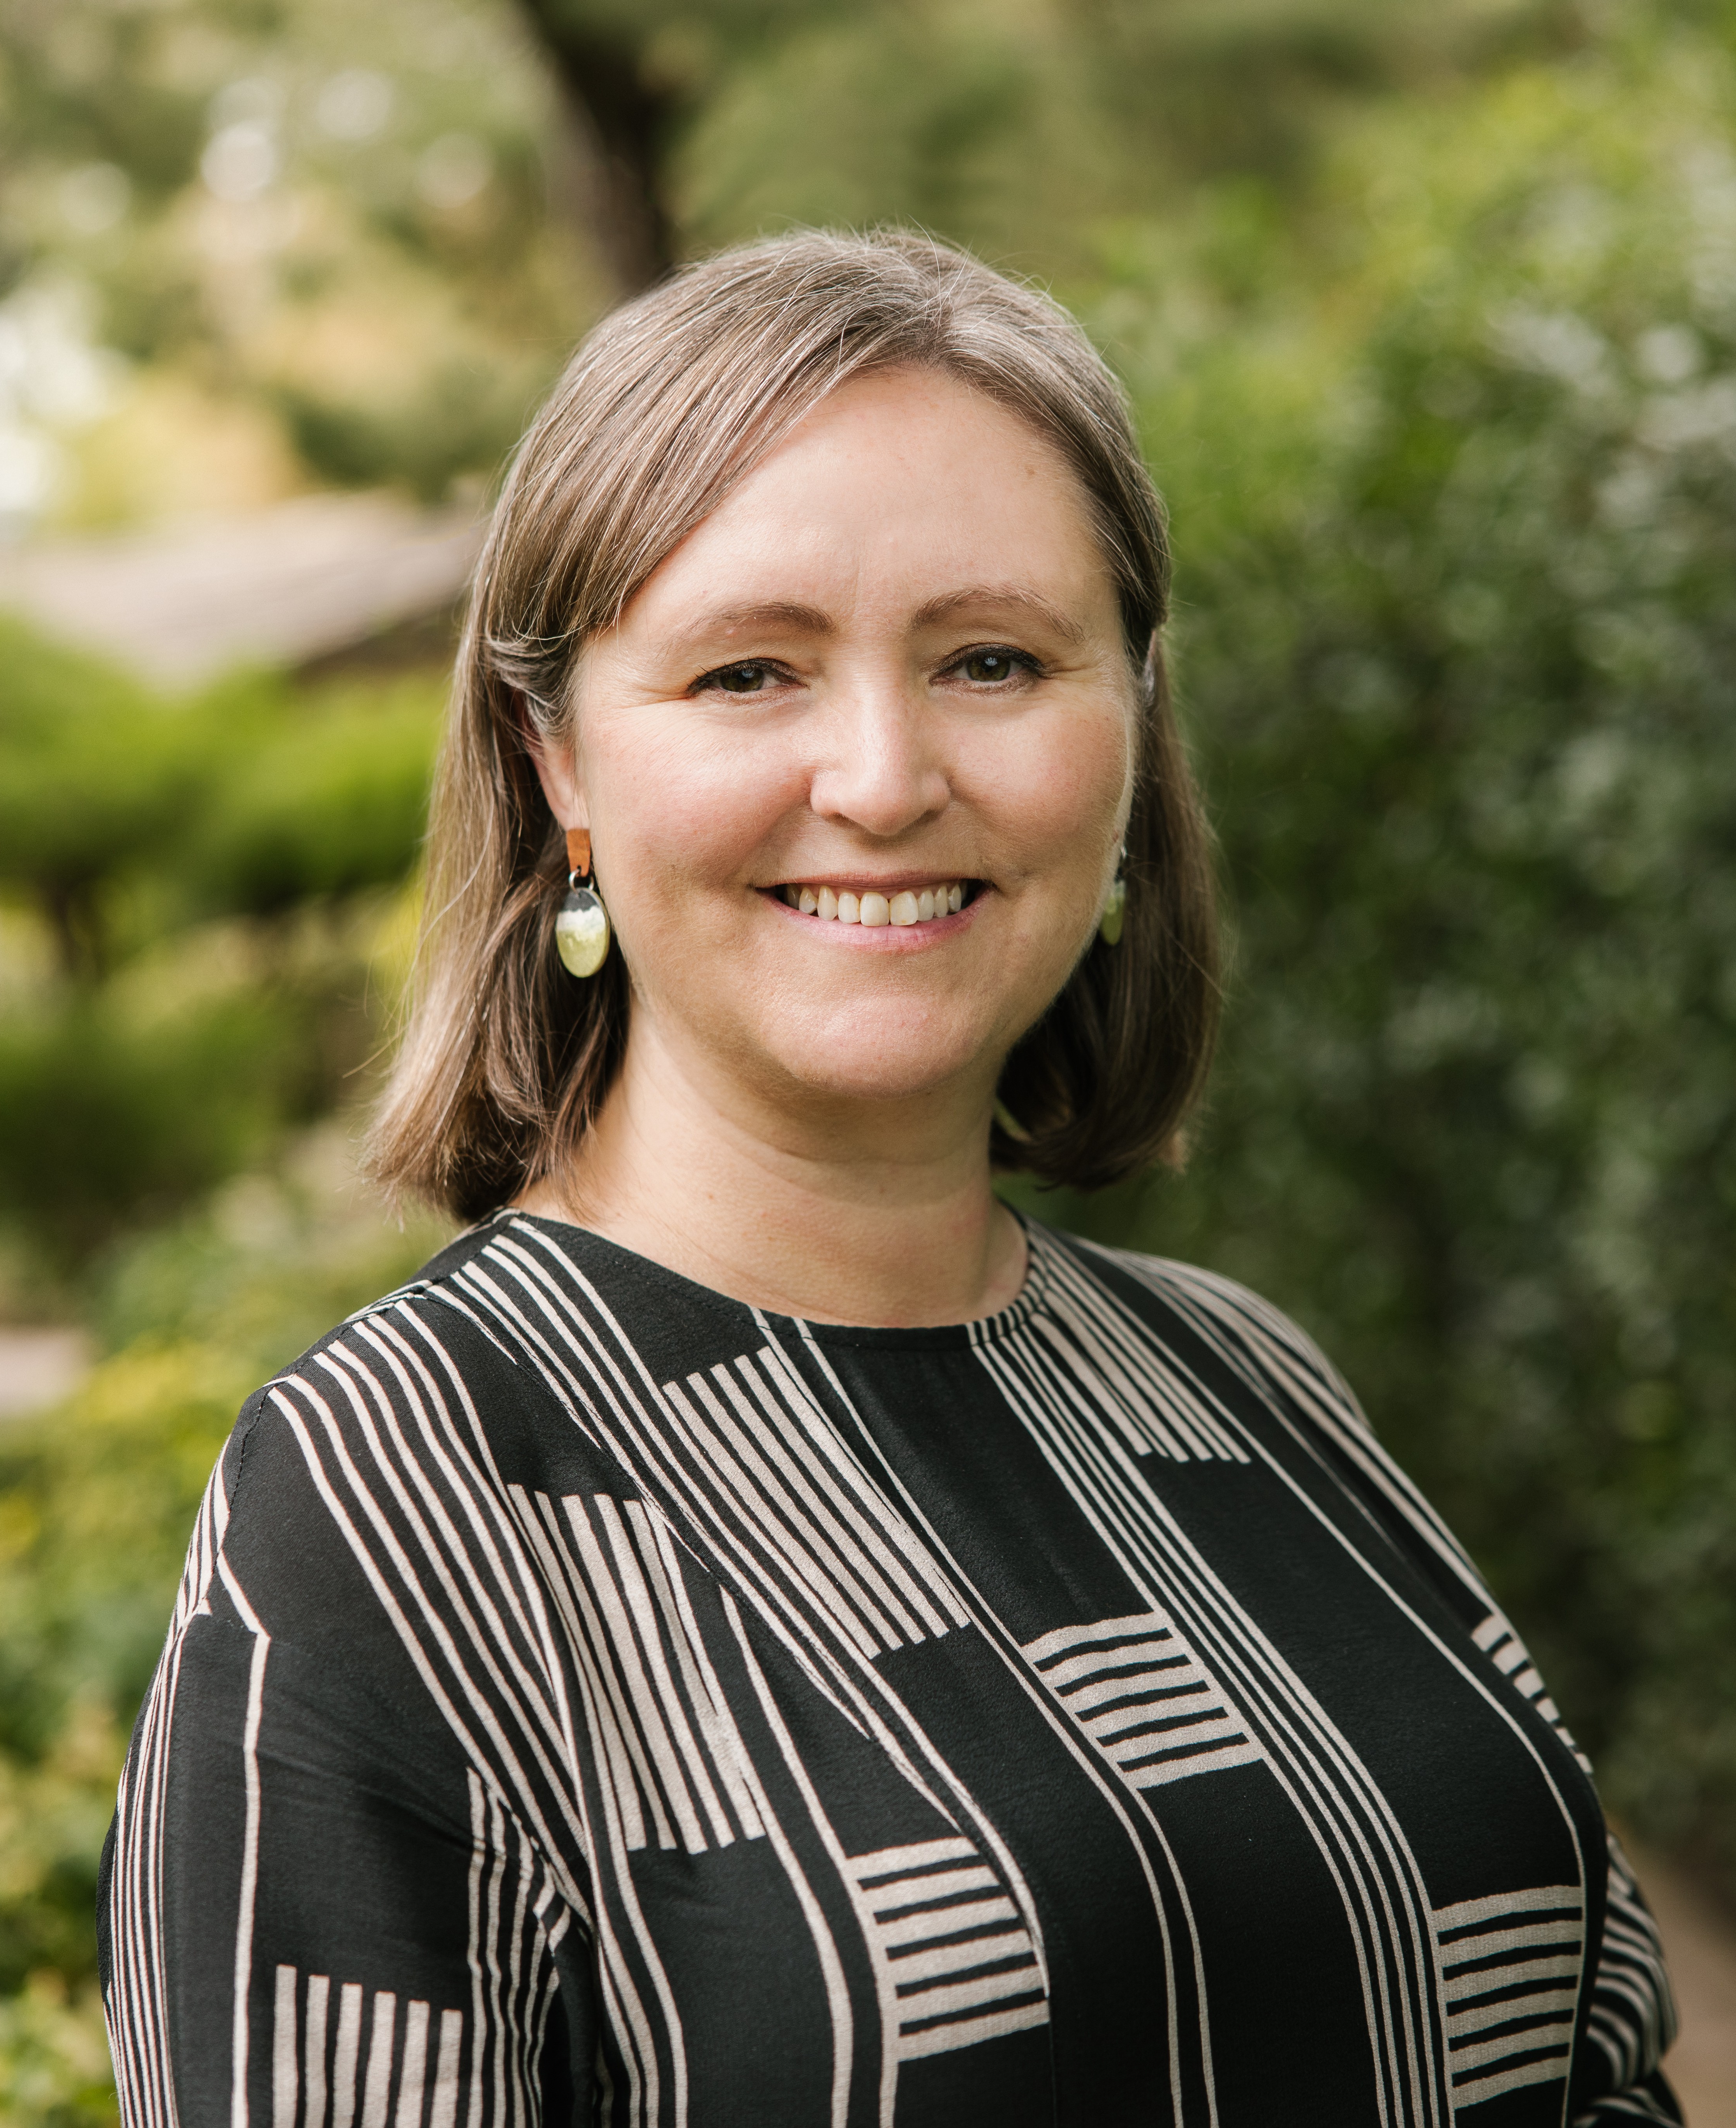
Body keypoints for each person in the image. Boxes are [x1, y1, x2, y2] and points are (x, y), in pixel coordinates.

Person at [99, 231, 1681, 2128]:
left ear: (1129, 731)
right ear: (555, 763)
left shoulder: (1247, 1387)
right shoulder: (395, 1501)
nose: (880, 773)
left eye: (991, 659)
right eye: (749, 669)